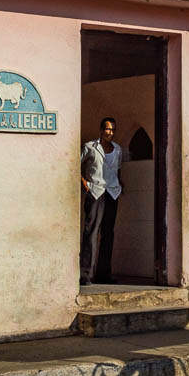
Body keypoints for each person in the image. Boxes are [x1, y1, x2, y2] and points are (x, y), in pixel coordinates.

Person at [80, 117, 123, 286]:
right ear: (101, 129)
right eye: (107, 129)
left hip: (112, 193)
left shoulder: (117, 149)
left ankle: (104, 274)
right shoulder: (90, 146)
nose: (110, 132)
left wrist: (119, 184)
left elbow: (118, 170)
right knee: (91, 233)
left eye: (113, 130)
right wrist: (84, 183)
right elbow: (74, 164)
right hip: (96, 192)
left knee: (108, 234)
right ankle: (85, 274)